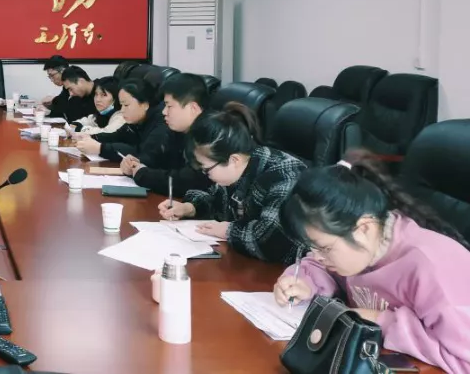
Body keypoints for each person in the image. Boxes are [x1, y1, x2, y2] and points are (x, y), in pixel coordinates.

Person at [273, 153, 470, 373]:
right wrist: (305, 282)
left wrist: (381, 321)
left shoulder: (430, 268)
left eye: (325, 248)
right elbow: (320, 265)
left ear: (364, 228)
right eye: (313, 247)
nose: (317, 256)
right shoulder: (361, 247)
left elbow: (464, 359)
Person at [158, 103, 305, 264]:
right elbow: (216, 200)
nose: (205, 175)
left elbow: (271, 240)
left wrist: (228, 230)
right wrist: (190, 208)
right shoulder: (239, 167)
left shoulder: (285, 175)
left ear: (234, 160)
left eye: (206, 170)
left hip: (292, 272)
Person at [123, 73, 213, 196]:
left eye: (169, 106)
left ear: (193, 108)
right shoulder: (179, 131)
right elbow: (160, 160)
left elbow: (187, 181)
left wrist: (143, 174)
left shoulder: (209, 136)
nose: (164, 112)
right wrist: (135, 164)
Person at [76, 79, 180, 170]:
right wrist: (91, 137)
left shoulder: (163, 123)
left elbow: (142, 153)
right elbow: (116, 136)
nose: (122, 110)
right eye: (121, 105)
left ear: (145, 105)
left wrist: (100, 148)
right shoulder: (137, 119)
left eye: (126, 105)